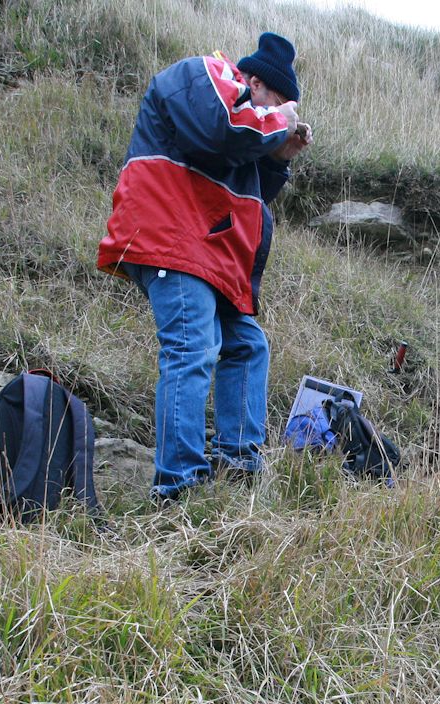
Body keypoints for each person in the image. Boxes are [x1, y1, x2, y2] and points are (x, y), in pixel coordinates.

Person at [98, 32, 313, 500]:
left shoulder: (249, 120)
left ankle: (238, 468)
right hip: (168, 233)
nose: (277, 114)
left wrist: (276, 157)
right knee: (193, 346)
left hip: (207, 249)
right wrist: (275, 120)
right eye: (275, 100)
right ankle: (179, 487)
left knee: (247, 345)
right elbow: (221, 130)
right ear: (253, 81)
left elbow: (245, 194)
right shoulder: (206, 73)